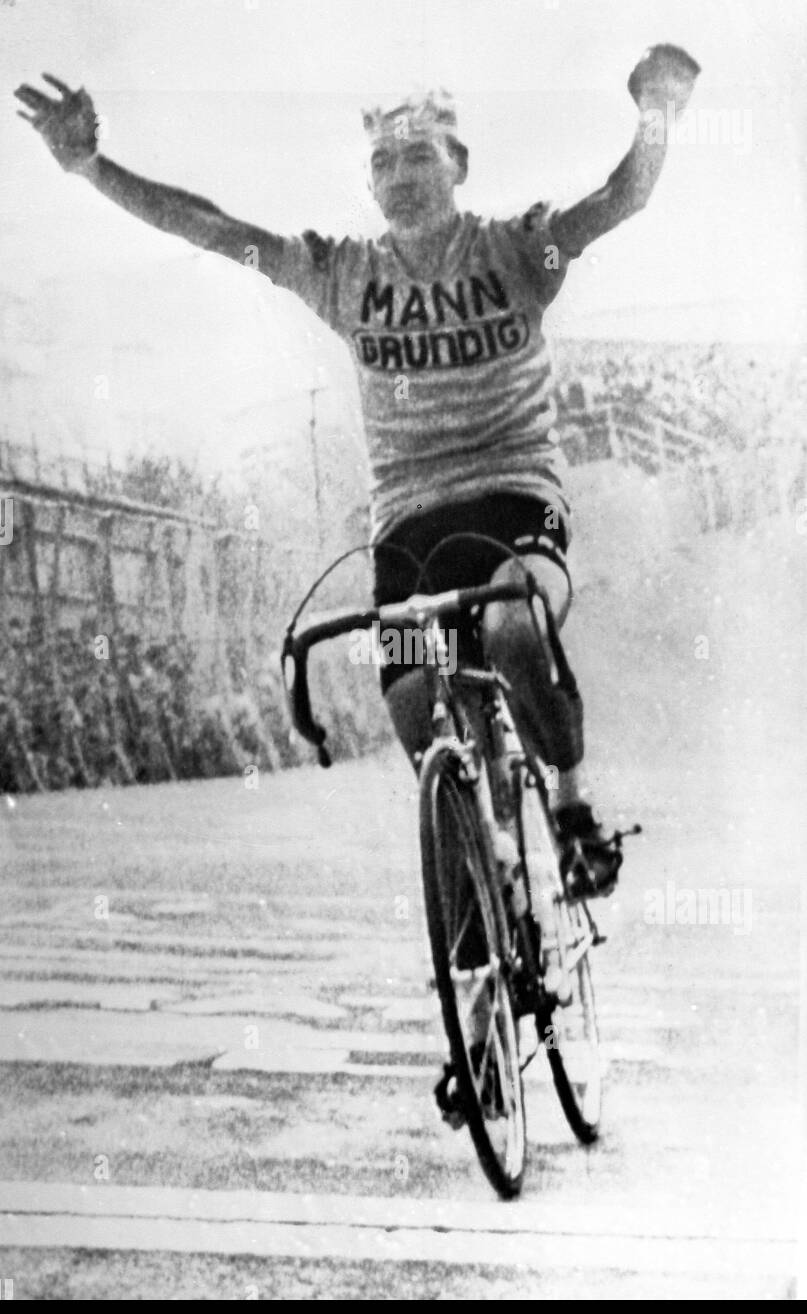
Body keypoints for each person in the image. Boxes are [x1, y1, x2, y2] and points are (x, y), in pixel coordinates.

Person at [15, 45, 699, 898]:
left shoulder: (519, 252)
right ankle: (482, 903)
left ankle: (569, 804)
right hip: (408, 532)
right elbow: (214, 228)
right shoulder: (343, 274)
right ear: (368, 185)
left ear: (457, 166)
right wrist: (89, 167)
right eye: (382, 160)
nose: (400, 173)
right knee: (413, 698)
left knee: (515, 632)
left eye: (419, 153)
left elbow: (621, 196)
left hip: (517, 501)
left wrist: (657, 107)